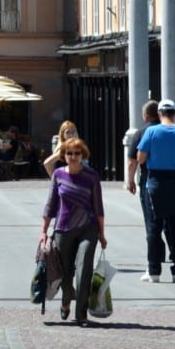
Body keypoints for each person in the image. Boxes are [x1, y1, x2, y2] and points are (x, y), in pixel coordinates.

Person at [40, 136, 107, 325]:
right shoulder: (58, 175)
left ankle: (81, 312)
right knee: (65, 273)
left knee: (84, 267)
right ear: (64, 155)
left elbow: (98, 207)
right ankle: (66, 300)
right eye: (69, 153)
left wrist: (102, 234)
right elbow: (50, 205)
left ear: (82, 155)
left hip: (88, 227)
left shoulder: (91, 176)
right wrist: (43, 231)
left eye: (77, 153)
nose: (73, 156)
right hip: (63, 228)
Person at [136, 99, 175, 282]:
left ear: (160, 113)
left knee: (154, 228)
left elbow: (140, 158)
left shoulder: (151, 131)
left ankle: (154, 271)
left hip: (156, 183)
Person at [125, 100, 161, 236]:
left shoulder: (140, 133)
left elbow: (132, 161)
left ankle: (156, 253)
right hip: (171, 177)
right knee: (170, 219)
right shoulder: (170, 131)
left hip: (148, 177)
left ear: (146, 116)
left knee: (151, 218)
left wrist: (130, 181)